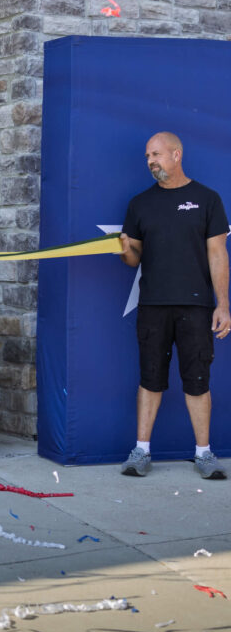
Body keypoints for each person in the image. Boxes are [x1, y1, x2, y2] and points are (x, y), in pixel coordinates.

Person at [118, 132, 229, 480]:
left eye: (157, 154)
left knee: (198, 380)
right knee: (150, 380)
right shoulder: (139, 204)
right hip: (152, 306)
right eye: (147, 156)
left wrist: (223, 304)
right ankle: (141, 452)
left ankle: (203, 454)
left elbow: (217, 254)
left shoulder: (207, 199)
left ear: (177, 154)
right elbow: (133, 260)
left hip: (197, 307)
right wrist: (124, 249)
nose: (151, 161)